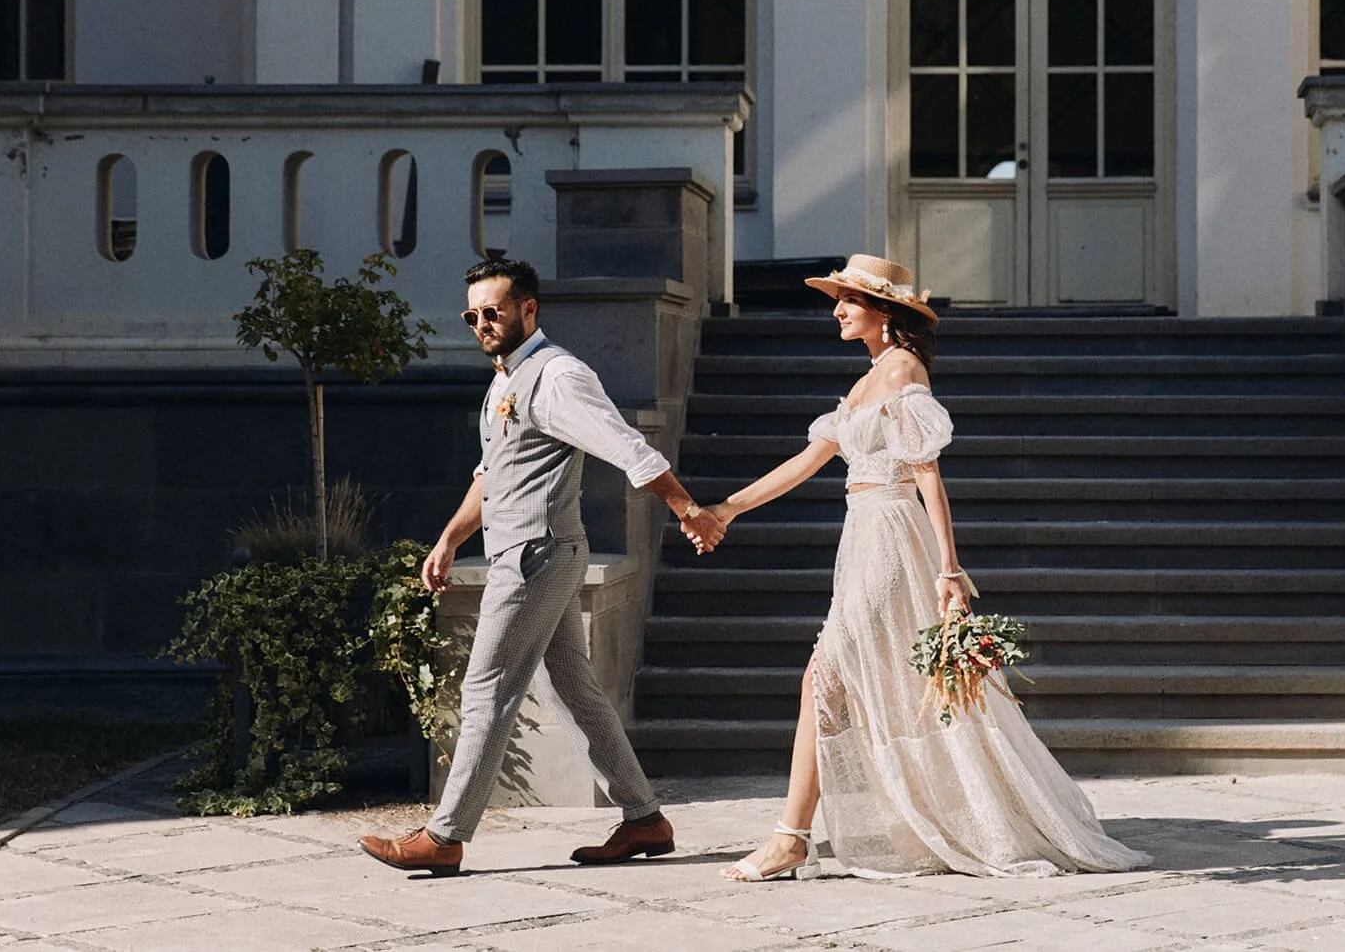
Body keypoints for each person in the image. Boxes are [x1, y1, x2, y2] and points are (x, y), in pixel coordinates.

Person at [705, 254, 1149, 881]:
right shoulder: (869, 378)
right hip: (860, 533)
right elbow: (806, 462)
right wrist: (726, 509)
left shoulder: (902, 372)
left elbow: (927, 475)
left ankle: (791, 837)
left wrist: (948, 569)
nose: (835, 311)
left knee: (825, 675)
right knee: (829, 679)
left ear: (883, 313)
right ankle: (798, 835)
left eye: (847, 302)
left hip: (889, 534)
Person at [360, 258, 722, 877]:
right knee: (574, 688)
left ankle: (445, 836)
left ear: (529, 309)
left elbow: (625, 444)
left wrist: (689, 508)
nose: (481, 324)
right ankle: (643, 818)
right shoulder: (504, 379)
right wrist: (449, 539)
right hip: (523, 551)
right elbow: (491, 474)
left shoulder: (557, 376)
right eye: (471, 315)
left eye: (493, 312)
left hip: (536, 554)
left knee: (486, 690)